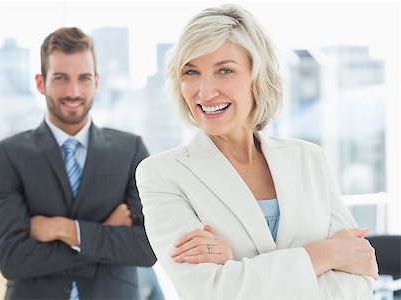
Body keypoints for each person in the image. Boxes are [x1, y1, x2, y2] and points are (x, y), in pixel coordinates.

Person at [136, 4, 378, 299]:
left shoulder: (309, 159)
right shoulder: (162, 174)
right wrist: (330, 252)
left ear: (257, 75)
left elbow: (360, 271)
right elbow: (212, 291)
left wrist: (240, 270)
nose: (205, 91)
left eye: (224, 70)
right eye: (191, 71)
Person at [0, 27, 156, 299]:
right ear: (41, 83)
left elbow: (147, 248)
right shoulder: (8, 155)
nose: (74, 91)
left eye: (84, 78)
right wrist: (103, 234)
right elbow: (11, 258)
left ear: (97, 82)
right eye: (61, 78)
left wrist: (62, 230)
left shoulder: (130, 150)